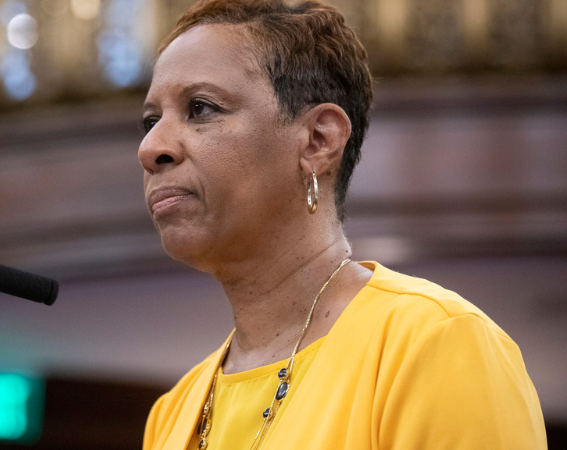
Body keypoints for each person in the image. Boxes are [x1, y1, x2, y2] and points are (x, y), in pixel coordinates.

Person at [136, 0, 547, 449]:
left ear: (318, 140)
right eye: (151, 120)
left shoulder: (433, 343)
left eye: (200, 108)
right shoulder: (171, 414)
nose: (151, 147)